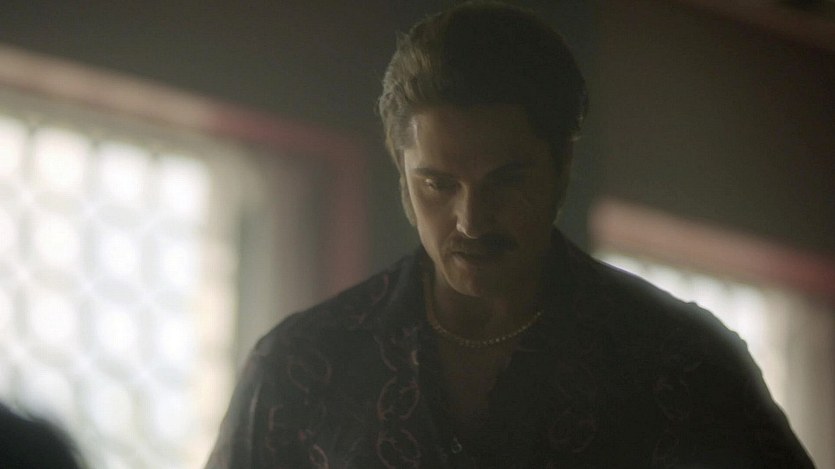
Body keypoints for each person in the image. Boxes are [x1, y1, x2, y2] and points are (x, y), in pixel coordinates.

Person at [206, 2, 814, 467]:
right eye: (439, 184)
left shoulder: (682, 365)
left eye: (506, 180)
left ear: (561, 170)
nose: (472, 221)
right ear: (402, 178)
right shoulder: (303, 366)